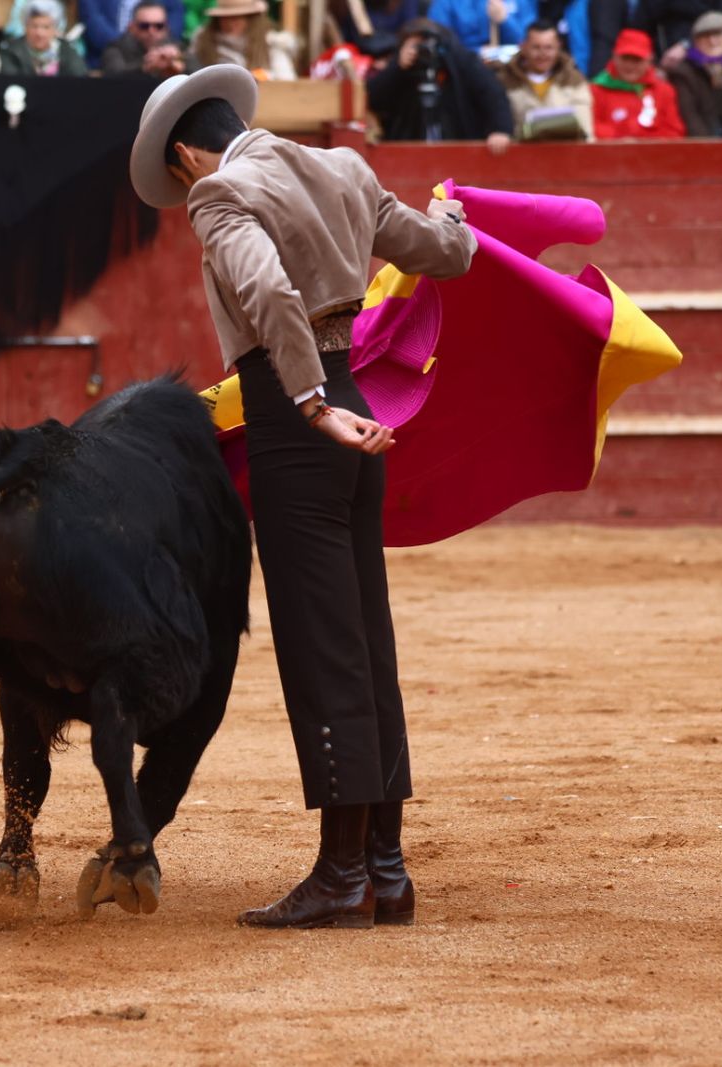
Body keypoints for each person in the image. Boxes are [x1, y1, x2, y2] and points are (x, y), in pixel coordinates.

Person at [128, 64, 476, 929]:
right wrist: (459, 218)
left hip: (306, 421)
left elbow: (267, 292)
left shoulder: (219, 194)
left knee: (323, 646)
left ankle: (340, 875)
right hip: (358, 402)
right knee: (364, 634)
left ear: (185, 157)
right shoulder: (344, 167)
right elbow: (446, 255)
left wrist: (310, 406)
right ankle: (386, 869)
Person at [366, 18, 515, 147]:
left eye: (427, 44)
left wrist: (500, 129)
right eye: (417, 45)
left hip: (459, 144)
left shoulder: (461, 62)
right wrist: (398, 67)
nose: (423, 51)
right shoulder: (400, 68)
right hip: (409, 147)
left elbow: (492, 93)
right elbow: (372, 98)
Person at [498, 19, 594, 139]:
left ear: (559, 47)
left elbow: (585, 131)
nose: (542, 54)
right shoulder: (504, 80)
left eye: (549, 48)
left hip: (565, 154)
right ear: (523, 47)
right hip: (521, 155)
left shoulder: (574, 80)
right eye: (536, 47)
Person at [590, 26, 687, 137]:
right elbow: (590, 127)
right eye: (625, 58)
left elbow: (674, 132)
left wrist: (640, 142)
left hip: (652, 154)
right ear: (614, 57)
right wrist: (620, 139)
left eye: (637, 60)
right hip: (607, 153)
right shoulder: (596, 90)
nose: (630, 66)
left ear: (649, 61)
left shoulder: (664, 91)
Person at [668, 8, 722, 135]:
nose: (712, 41)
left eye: (718, 34)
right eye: (705, 36)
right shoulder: (683, 72)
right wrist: (709, 147)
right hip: (700, 144)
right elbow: (689, 115)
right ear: (695, 42)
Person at [188, 0, 297, 80]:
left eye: (236, 18)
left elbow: (286, 81)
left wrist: (262, 76)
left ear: (251, 19)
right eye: (225, 18)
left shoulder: (272, 45)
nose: (230, 23)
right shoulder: (203, 45)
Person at [81, 0, 185, 68]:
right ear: (131, 27)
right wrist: (147, 65)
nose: (151, 31)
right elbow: (115, 77)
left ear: (166, 28)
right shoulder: (115, 49)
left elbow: (197, 71)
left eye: (159, 26)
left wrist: (176, 62)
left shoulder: (176, 48)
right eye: (144, 26)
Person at [0, 0, 87, 75]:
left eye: (46, 27)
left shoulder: (68, 51)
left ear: (55, 29)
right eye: (34, 26)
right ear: (25, 27)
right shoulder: (10, 52)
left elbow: (80, 80)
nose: (39, 33)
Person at [425, 0, 532, 53]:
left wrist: (505, 20)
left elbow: (529, 42)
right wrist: (476, 52)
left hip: (513, 68)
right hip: (467, 68)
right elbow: (440, 44)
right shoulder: (446, 2)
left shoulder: (521, 2)